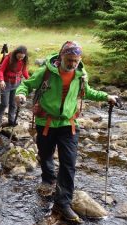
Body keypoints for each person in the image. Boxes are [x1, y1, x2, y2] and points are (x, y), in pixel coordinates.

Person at [15, 41, 118, 224]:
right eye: (69, 60)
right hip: (45, 122)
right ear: (61, 56)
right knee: (45, 154)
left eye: (76, 61)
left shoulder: (81, 75)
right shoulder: (46, 71)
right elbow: (27, 85)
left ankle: (63, 203)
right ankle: (48, 178)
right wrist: (21, 94)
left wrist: (106, 96)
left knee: (68, 163)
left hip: (68, 124)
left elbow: (88, 92)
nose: (72, 64)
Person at [0, 45, 30, 128]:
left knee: (13, 103)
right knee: (4, 103)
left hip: (17, 83)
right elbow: (1, 70)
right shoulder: (8, 58)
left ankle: (11, 120)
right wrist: (2, 80)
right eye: (19, 57)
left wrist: (30, 81)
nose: (20, 59)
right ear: (16, 54)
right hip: (6, 83)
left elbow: (24, 71)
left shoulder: (24, 60)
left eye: (22, 57)